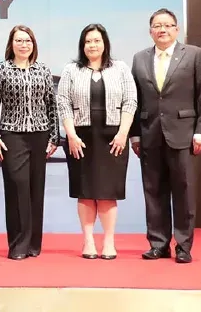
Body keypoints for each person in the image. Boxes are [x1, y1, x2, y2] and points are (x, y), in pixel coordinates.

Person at [130, 8, 201, 264]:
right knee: (153, 191)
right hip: (150, 134)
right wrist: (135, 135)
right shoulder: (139, 59)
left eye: (167, 25)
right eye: (157, 26)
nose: (162, 30)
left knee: (184, 191)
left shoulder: (194, 54)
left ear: (177, 30)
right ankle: (158, 244)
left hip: (184, 134)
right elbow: (135, 100)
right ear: (150, 32)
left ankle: (184, 246)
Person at [56, 24, 136, 260]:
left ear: (105, 43)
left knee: (108, 192)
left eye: (97, 40)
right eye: (88, 41)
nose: (92, 45)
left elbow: (131, 101)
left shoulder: (120, 68)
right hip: (80, 138)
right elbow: (63, 103)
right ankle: (88, 241)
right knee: (86, 191)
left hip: (113, 138)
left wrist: (123, 133)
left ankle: (109, 242)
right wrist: (71, 135)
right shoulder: (71, 70)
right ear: (82, 45)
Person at [0, 25, 59, 260]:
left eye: (27, 40)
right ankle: (18, 244)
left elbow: (51, 105)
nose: (24, 44)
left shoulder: (43, 70)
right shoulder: (2, 69)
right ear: (11, 44)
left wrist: (54, 136)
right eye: (19, 40)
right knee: (17, 188)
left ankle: (33, 244)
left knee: (35, 190)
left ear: (33, 44)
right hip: (11, 135)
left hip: (40, 134)